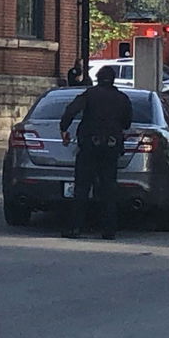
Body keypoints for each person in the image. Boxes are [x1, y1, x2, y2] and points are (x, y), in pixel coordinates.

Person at [58, 66, 133, 240]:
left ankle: (75, 227)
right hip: (111, 147)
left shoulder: (89, 95)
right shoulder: (122, 98)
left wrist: (63, 128)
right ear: (113, 80)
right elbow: (127, 123)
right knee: (108, 187)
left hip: (90, 145)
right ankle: (109, 230)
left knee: (82, 187)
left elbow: (71, 110)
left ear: (98, 79)